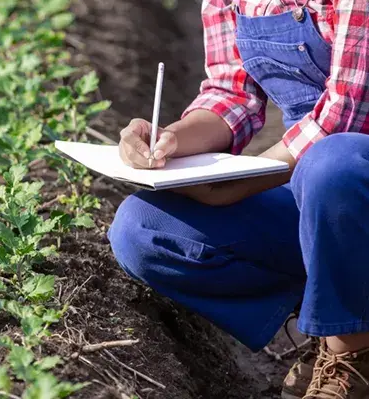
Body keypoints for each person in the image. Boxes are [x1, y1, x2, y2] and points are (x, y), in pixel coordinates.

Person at [107, 0, 369, 398]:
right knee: (143, 229)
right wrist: (170, 140)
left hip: (348, 177)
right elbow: (230, 94)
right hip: (321, 193)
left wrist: (245, 180)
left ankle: (353, 356)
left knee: (334, 167)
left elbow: (346, 115)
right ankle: (340, 316)